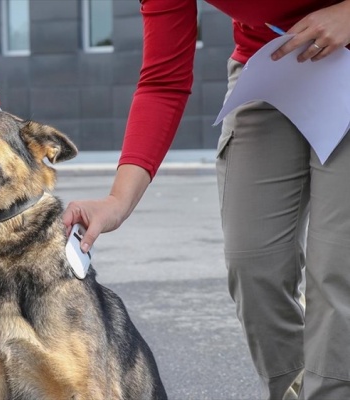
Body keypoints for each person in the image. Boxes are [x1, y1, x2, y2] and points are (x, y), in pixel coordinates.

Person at [62, 1, 350, 399]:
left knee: (337, 273)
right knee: (254, 269)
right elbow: (163, 81)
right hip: (268, 70)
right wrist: (117, 201)